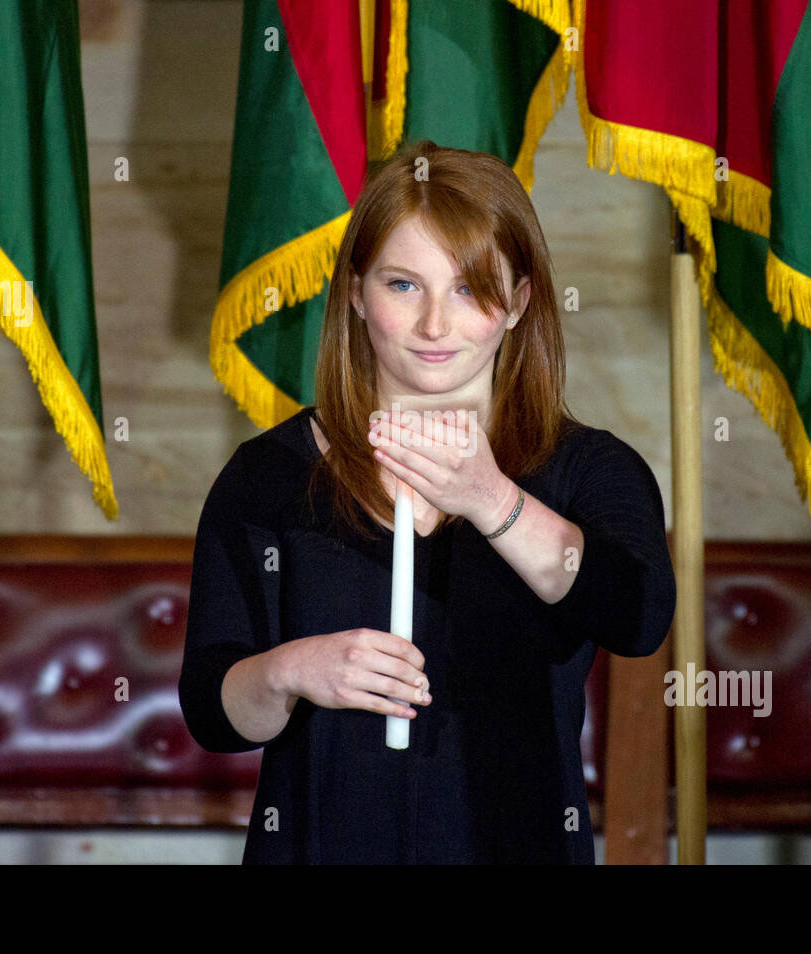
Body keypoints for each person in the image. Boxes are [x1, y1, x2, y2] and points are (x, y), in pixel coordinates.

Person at [179, 139, 676, 864]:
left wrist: (491, 500)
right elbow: (213, 710)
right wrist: (292, 669)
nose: (435, 326)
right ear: (355, 292)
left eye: (471, 289)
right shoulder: (269, 477)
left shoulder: (590, 469)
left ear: (520, 302)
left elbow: (636, 616)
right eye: (403, 285)